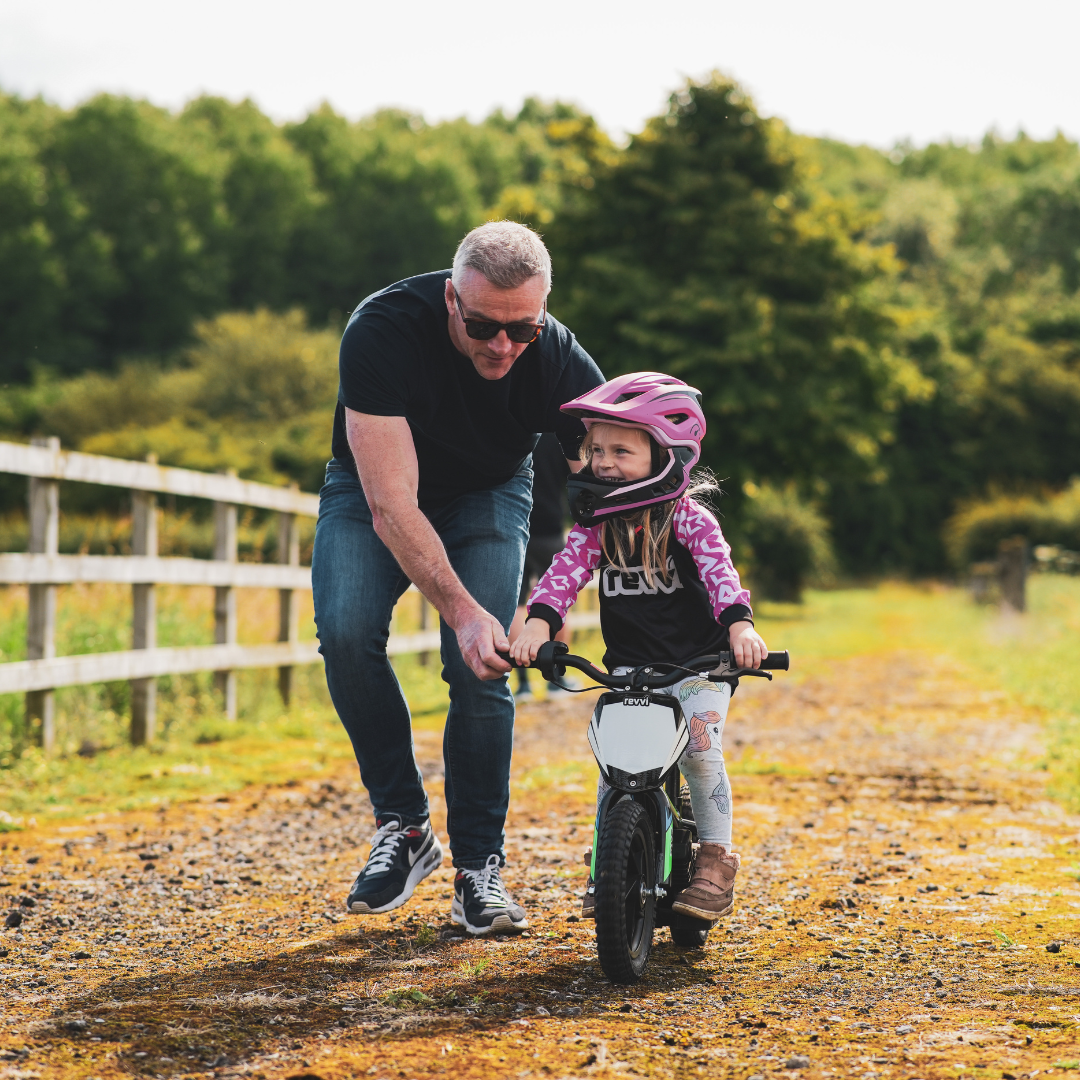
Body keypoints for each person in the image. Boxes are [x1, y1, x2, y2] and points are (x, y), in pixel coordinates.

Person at [312, 221, 603, 935]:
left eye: (522, 331)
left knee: (481, 668)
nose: (502, 346)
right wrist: (465, 610)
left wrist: (556, 597)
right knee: (346, 629)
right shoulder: (380, 331)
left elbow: (609, 486)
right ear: (451, 299)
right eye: (482, 325)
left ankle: (481, 869)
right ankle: (405, 829)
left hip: (491, 490)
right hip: (372, 490)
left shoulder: (560, 361)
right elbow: (392, 505)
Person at [509, 372, 768, 922]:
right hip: (631, 669)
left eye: (620, 451)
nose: (602, 462)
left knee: (700, 749)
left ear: (665, 455)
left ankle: (718, 856)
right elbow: (561, 577)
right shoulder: (596, 528)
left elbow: (722, 577)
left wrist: (741, 628)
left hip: (700, 666)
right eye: (595, 449)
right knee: (614, 764)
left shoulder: (691, 522)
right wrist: (538, 624)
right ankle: (609, 862)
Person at [507, 431, 574, 701]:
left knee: (517, 603)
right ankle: (556, 678)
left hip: (516, 525)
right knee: (558, 600)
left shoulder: (513, 431)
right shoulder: (555, 437)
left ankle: (522, 683)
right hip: (550, 528)